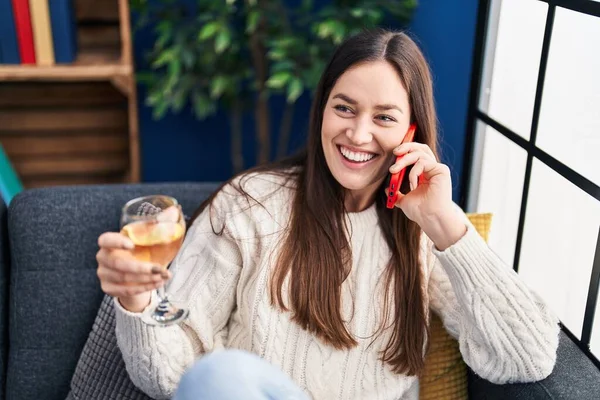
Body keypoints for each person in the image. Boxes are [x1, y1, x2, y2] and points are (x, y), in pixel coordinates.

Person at [96, 29, 560, 400]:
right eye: (345, 108)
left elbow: (528, 358)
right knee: (222, 374)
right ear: (323, 111)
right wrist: (137, 302)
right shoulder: (251, 204)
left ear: (410, 132)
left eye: (384, 117)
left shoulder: (425, 230)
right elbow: (171, 377)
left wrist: (443, 224)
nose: (358, 134)